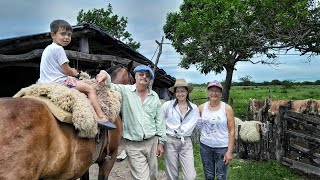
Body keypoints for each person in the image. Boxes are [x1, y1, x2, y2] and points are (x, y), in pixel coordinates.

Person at [37, 19, 115, 129]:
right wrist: (74, 72)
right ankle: (100, 117)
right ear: (53, 35)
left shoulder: (48, 49)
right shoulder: (59, 49)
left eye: (69, 35)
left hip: (45, 81)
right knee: (90, 89)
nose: (66, 37)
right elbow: (67, 71)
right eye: (63, 34)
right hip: (59, 82)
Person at [96, 65, 166, 180]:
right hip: (134, 145)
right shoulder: (125, 91)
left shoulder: (154, 96)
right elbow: (110, 84)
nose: (144, 77)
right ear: (135, 76)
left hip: (152, 142)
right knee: (142, 178)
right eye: (141, 74)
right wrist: (103, 73)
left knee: (153, 175)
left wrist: (161, 142)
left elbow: (160, 120)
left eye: (147, 75)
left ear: (150, 80)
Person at [161, 78, 199, 180]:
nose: (180, 94)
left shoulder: (194, 108)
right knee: (172, 174)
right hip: (170, 140)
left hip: (186, 141)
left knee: (190, 176)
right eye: (178, 91)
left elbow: (198, 123)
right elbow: (160, 122)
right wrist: (160, 142)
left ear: (187, 92)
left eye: (182, 91)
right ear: (175, 93)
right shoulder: (167, 106)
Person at [197, 80, 235, 180]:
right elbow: (197, 124)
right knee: (208, 175)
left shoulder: (227, 108)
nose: (214, 93)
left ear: (221, 93)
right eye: (212, 90)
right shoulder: (201, 108)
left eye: (217, 91)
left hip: (222, 147)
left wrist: (229, 151)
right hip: (205, 146)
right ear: (208, 92)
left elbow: (232, 131)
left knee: (221, 176)